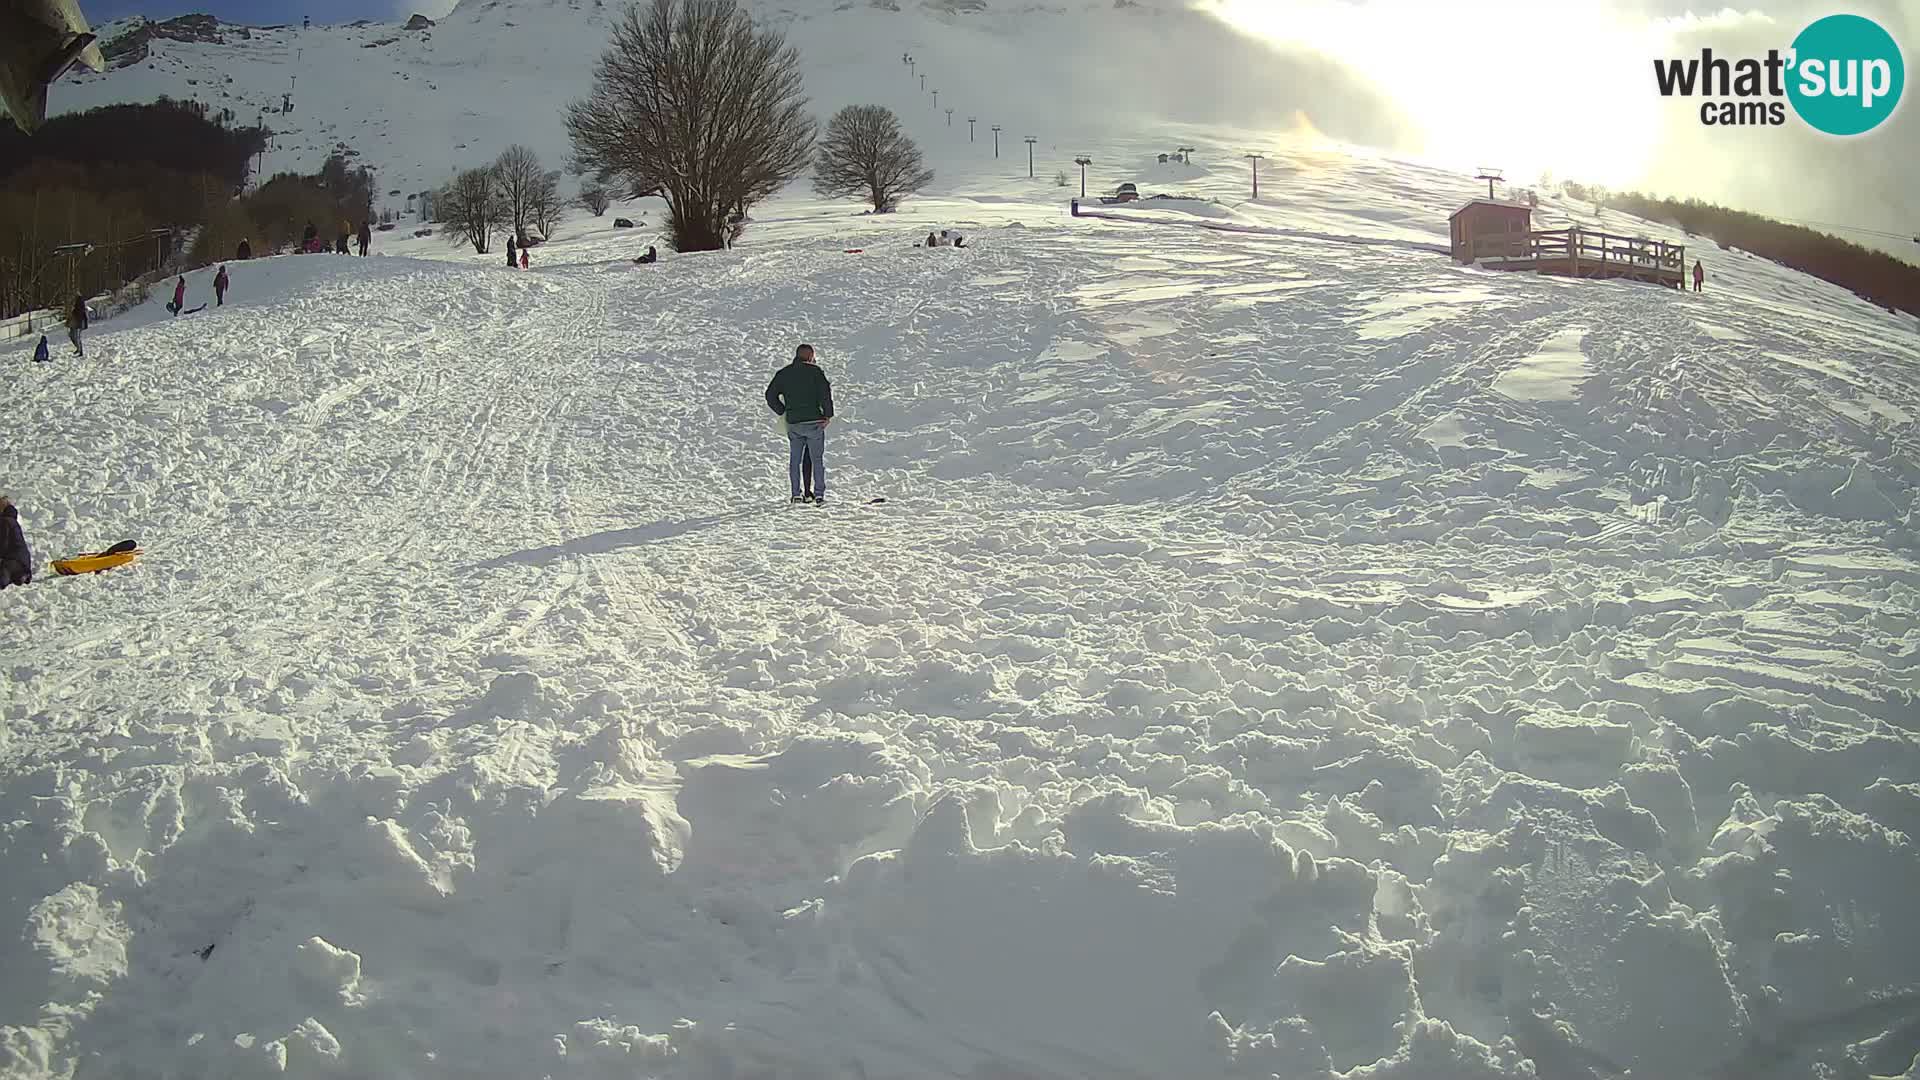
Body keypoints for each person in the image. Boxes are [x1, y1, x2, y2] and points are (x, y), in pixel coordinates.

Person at [765, 343, 834, 504]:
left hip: (794, 423)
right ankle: (819, 495)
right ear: (810, 356)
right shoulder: (816, 372)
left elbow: (770, 395)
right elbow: (825, 394)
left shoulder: (784, 373)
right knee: (817, 459)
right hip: (814, 422)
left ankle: (796, 493)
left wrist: (783, 411)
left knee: (795, 460)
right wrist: (828, 415)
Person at [0, 497, 30, 588]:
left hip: (11, 560)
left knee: (4, 574)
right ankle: (19, 576)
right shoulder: (12, 521)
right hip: (23, 562)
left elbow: (3, 544)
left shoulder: (5, 521)